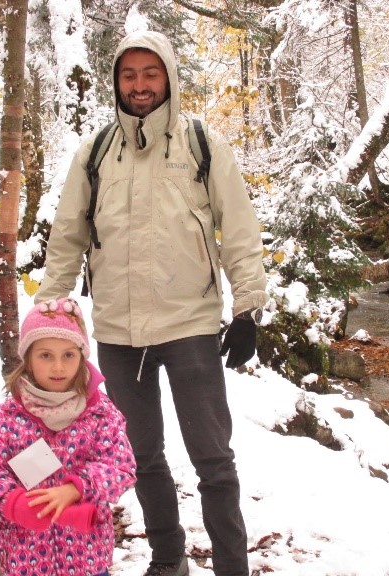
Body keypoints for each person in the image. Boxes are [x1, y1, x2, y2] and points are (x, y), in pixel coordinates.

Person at [36, 30, 268, 576]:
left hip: (189, 325)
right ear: (117, 82)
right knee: (141, 457)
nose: (139, 86)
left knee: (213, 459)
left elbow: (238, 229)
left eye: (150, 74)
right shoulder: (94, 152)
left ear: (168, 78)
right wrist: (49, 311)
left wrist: (247, 308)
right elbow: (68, 235)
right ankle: (168, 560)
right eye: (129, 75)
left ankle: (232, 567)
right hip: (118, 332)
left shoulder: (200, 144)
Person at [0, 297, 136, 576]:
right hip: (25, 555)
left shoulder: (100, 413)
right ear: (28, 360)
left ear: (81, 357)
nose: (58, 367)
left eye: (68, 355)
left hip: (87, 555)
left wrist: (77, 488)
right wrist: (13, 503)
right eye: (45, 355)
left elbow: (120, 466)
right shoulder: (6, 418)